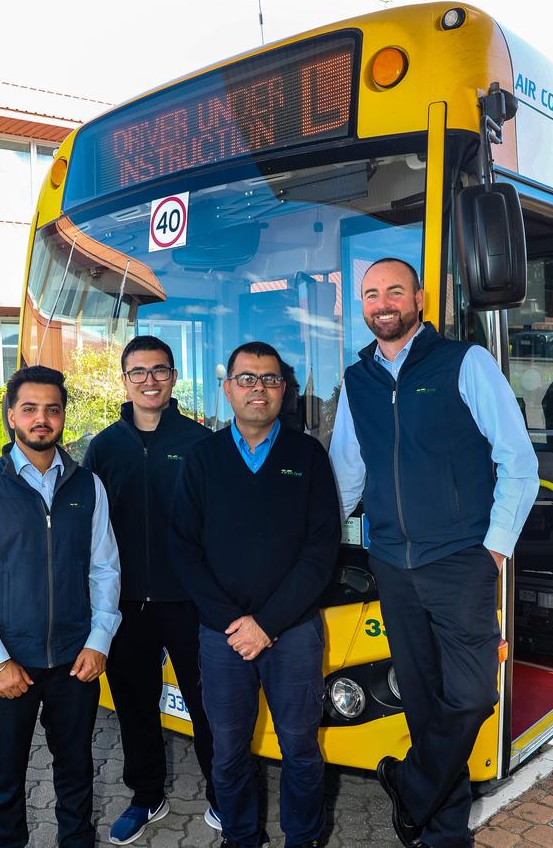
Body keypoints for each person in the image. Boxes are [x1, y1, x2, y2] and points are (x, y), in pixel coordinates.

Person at [329, 258, 539, 848]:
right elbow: (347, 473)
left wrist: (493, 550)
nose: (383, 302)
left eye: (395, 290)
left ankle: (411, 782)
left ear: (419, 299)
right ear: (363, 307)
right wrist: (314, 540)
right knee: (421, 700)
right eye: (371, 294)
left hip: (460, 562)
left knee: (472, 694)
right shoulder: (357, 380)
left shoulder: (464, 362)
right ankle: (443, 831)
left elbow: (516, 462)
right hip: (392, 564)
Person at [170, 341, 341, 848]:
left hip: (292, 633)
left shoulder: (307, 455)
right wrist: (234, 623)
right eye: (247, 378)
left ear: (282, 389)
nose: (257, 388)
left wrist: (266, 624)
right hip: (222, 635)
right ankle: (241, 836)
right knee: (227, 750)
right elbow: (183, 548)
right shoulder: (202, 458)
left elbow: (320, 550)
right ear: (228, 389)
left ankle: (303, 837)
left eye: (268, 379)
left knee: (300, 746)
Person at [0, 365, 122, 848]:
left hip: (75, 662)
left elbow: (104, 569)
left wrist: (98, 641)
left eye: (52, 409)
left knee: (76, 774)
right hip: (9, 664)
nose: (41, 418)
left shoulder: (88, 486)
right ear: (11, 416)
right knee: (3, 779)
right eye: (30, 409)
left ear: (64, 417)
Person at [83, 335, 218, 845]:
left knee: (207, 702)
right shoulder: (104, 447)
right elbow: (89, 527)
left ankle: (222, 795)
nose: (149, 381)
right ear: (125, 380)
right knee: (134, 704)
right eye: (138, 372)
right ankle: (146, 796)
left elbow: (218, 522)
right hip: (124, 604)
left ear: (174, 377)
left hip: (190, 601)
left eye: (159, 370)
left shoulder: (201, 441)